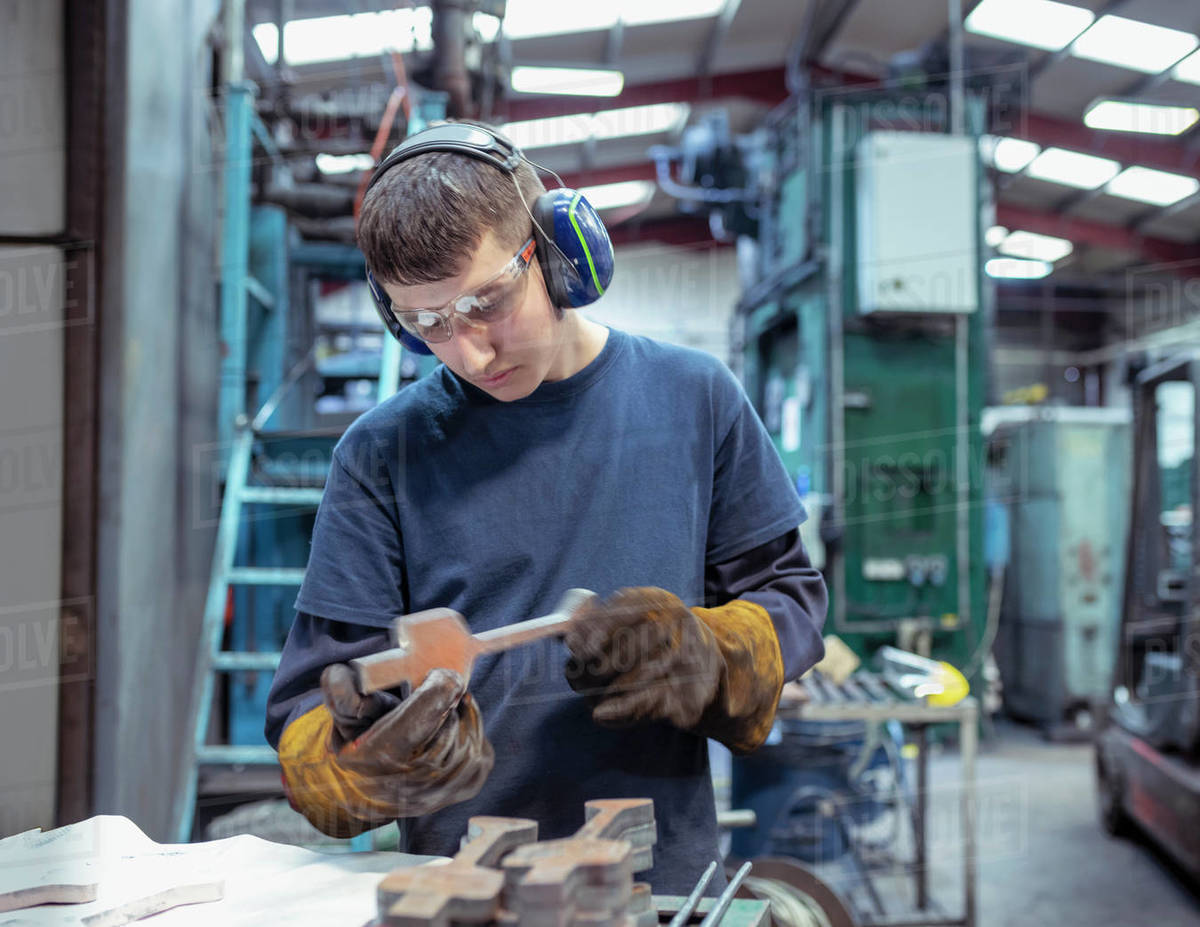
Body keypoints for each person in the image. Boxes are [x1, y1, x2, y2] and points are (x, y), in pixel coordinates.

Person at [264, 122, 827, 893]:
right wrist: (360, 763)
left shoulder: (697, 398)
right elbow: (311, 701)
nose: (470, 353)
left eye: (487, 302)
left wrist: (706, 652)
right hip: (461, 893)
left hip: (657, 890)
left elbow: (791, 601)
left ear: (561, 252)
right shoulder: (380, 454)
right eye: (428, 323)